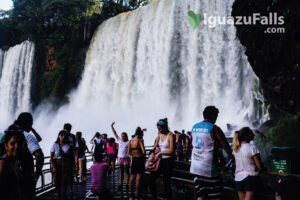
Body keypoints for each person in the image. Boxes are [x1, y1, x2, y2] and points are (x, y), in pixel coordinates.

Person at [190, 106, 232, 200]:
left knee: (200, 195)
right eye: (216, 116)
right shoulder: (214, 129)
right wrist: (235, 158)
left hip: (196, 167)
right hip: (209, 169)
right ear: (213, 116)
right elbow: (227, 147)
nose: (216, 119)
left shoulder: (194, 127)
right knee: (216, 196)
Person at [4, 112, 44, 200]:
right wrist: (36, 175)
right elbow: (39, 156)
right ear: (27, 122)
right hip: (25, 180)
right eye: (31, 122)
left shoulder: (6, 134)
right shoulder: (27, 135)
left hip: (7, 179)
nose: (32, 124)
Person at [233, 127, 263, 200]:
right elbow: (260, 166)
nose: (254, 135)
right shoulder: (252, 147)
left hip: (238, 178)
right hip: (250, 178)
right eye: (251, 133)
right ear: (246, 136)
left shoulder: (235, 149)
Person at [149, 118, 175, 200]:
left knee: (166, 182)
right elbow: (155, 147)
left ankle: (168, 198)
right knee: (151, 179)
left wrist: (160, 153)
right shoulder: (159, 136)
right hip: (159, 161)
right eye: (158, 128)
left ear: (165, 127)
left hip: (168, 161)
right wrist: (153, 154)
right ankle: (154, 197)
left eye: (160, 128)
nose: (159, 130)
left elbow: (171, 150)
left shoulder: (171, 135)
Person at [0, 130, 25, 200]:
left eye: (19, 143)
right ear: (6, 145)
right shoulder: (3, 164)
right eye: (12, 143)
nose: (17, 146)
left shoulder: (15, 161)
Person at [50, 130, 73, 200]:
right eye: (61, 135)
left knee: (65, 180)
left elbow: (71, 156)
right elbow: (51, 156)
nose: (63, 137)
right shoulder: (55, 144)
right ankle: (59, 193)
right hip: (57, 164)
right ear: (59, 136)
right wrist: (53, 166)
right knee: (57, 180)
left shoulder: (68, 145)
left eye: (64, 135)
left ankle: (64, 194)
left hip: (66, 164)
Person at [111, 122, 130, 190]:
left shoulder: (129, 142)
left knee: (127, 171)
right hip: (120, 158)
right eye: (122, 136)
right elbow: (115, 133)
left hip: (126, 158)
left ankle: (127, 184)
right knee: (121, 171)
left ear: (126, 136)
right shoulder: (119, 140)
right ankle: (121, 184)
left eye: (124, 136)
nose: (122, 137)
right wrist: (112, 126)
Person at [128, 127, 146, 200]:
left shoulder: (131, 141)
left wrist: (133, 155)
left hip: (134, 159)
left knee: (132, 177)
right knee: (138, 178)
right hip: (139, 160)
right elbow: (144, 151)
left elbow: (129, 152)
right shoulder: (139, 140)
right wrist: (140, 155)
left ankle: (131, 195)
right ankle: (137, 195)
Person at [63, 123, 77, 189]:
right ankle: (69, 188)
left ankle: (69, 188)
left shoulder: (72, 136)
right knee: (68, 173)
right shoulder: (61, 135)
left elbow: (75, 147)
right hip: (69, 157)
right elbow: (76, 147)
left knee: (69, 173)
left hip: (66, 157)